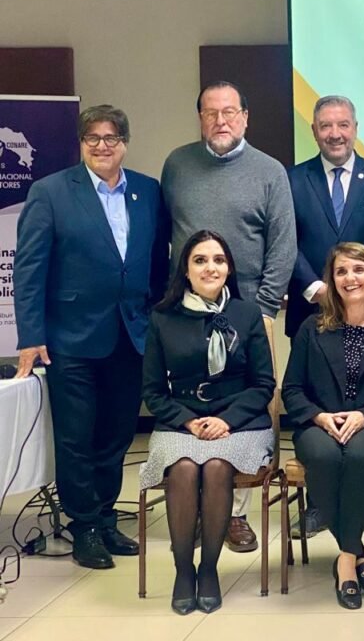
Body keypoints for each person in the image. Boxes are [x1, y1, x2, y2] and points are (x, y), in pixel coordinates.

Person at [13, 104, 169, 570]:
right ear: (81, 143)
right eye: (93, 138)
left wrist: (154, 317)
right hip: (70, 338)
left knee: (117, 434)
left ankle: (105, 517)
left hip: (131, 334)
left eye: (112, 137)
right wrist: (31, 335)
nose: (103, 146)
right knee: (77, 437)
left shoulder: (147, 191)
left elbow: (157, 262)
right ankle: (83, 527)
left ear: (125, 143)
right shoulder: (51, 192)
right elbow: (30, 269)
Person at [161, 81, 297, 552]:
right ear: (200, 117)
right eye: (211, 112)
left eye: (230, 112)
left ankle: (234, 512)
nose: (221, 121)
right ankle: (196, 507)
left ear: (245, 117)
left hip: (250, 314)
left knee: (248, 405)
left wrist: (263, 309)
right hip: (187, 313)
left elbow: (283, 244)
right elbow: (165, 234)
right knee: (194, 400)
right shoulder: (177, 164)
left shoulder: (269, 171)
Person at [138, 230, 275, 615]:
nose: (210, 267)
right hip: (181, 419)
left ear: (229, 268)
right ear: (186, 269)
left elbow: (263, 384)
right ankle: (184, 571)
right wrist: (188, 422)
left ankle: (210, 569)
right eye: (200, 260)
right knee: (183, 467)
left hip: (241, 420)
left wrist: (226, 420)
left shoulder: (247, 314)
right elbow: (153, 391)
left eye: (218, 260)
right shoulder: (163, 317)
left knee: (216, 466)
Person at [286, 95, 364, 540]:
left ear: (355, 128)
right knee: (322, 399)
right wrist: (318, 288)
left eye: (343, 125)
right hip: (312, 309)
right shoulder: (292, 179)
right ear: (314, 131)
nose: (335, 133)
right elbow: (286, 239)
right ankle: (319, 505)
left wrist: (362, 285)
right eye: (325, 126)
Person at [282, 242, 364, 609]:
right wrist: (319, 417)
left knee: (357, 456)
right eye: (341, 271)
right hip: (319, 423)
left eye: (358, 269)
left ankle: (344, 562)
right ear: (332, 280)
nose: (349, 278)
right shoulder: (312, 328)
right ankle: (356, 553)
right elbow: (292, 389)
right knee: (324, 457)